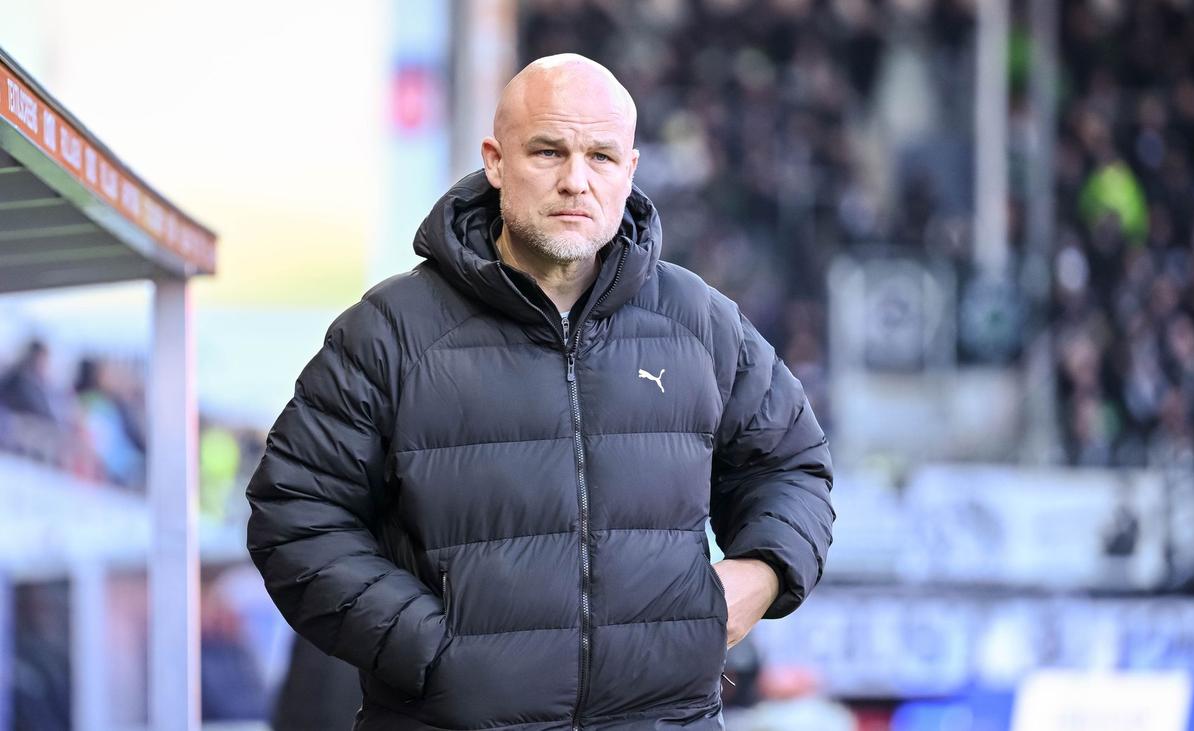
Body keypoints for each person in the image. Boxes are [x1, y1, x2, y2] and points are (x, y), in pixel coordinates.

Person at [245, 53, 835, 731]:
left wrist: (758, 576)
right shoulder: (389, 331)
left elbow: (793, 464)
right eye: (549, 151)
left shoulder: (700, 321)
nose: (576, 181)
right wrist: (433, 651)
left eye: (601, 157)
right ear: (496, 162)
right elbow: (294, 514)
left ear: (630, 171)